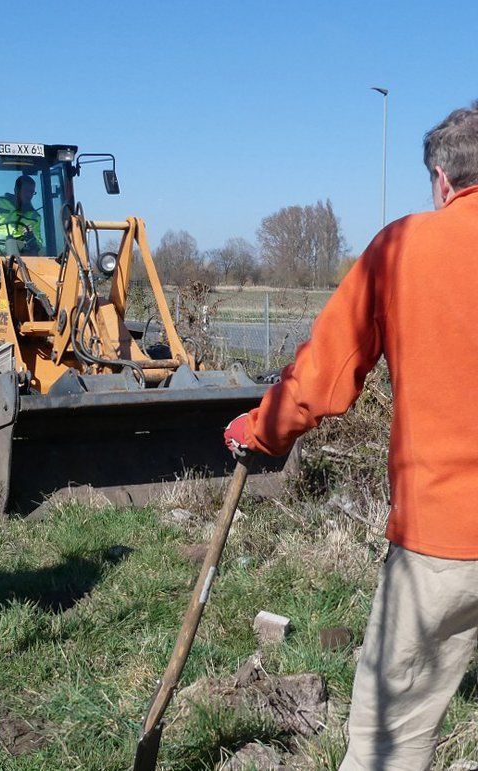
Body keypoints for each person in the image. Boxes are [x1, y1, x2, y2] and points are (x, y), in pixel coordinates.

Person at [223, 101, 478, 770]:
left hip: (444, 538)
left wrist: (262, 430)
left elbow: (323, 379)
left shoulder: (402, 248)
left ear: (442, 180)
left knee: (389, 739)